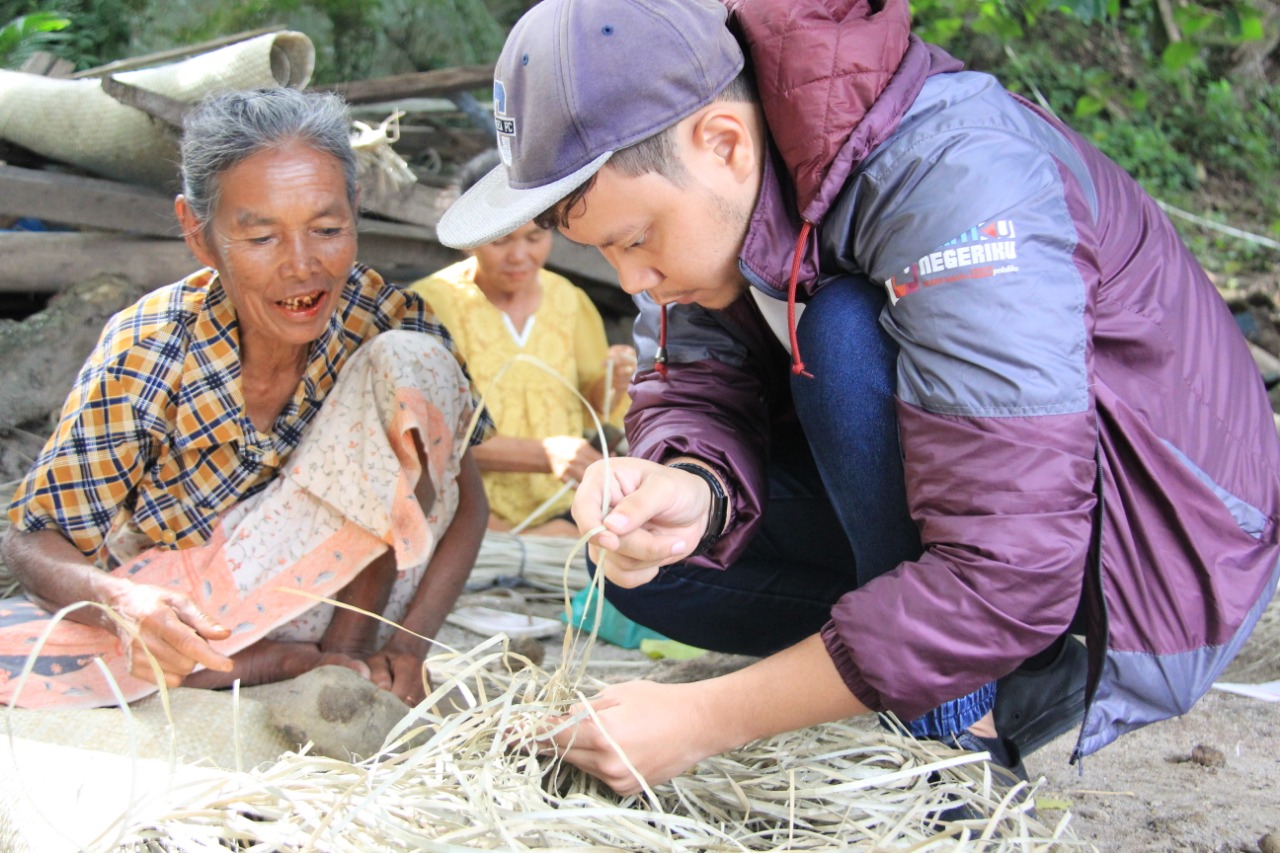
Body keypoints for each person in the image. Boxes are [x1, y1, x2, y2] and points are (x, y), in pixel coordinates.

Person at [434, 0, 1280, 798]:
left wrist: (705, 718)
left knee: (840, 331)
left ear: (723, 141)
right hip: (983, 520)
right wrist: (690, 485)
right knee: (653, 570)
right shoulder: (720, 191)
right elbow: (697, 382)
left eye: (635, 241)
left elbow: (1013, 568)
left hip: (1142, 538)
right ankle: (997, 670)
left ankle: (962, 729)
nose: (633, 281)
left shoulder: (953, 172)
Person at [0, 87, 493, 710]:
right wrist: (127, 605)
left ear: (356, 211)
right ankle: (250, 663)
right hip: (209, 610)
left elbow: (467, 504)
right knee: (18, 651)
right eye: (261, 238)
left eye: (327, 229)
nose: (302, 266)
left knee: (411, 358)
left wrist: (410, 646)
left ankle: (342, 657)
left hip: (370, 604)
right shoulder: (149, 352)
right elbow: (32, 540)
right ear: (198, 235)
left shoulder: (388, 316)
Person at [412, 150, 635, 537]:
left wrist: (613, 382)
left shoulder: (570, 301)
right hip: (464, 513)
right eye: (501, 241)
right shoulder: (430, 306)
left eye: (535, 237)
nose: (520, 256)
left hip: (560, 508)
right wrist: (544, 454)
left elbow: (592, 416)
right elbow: (422, 437)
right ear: (471, 238)